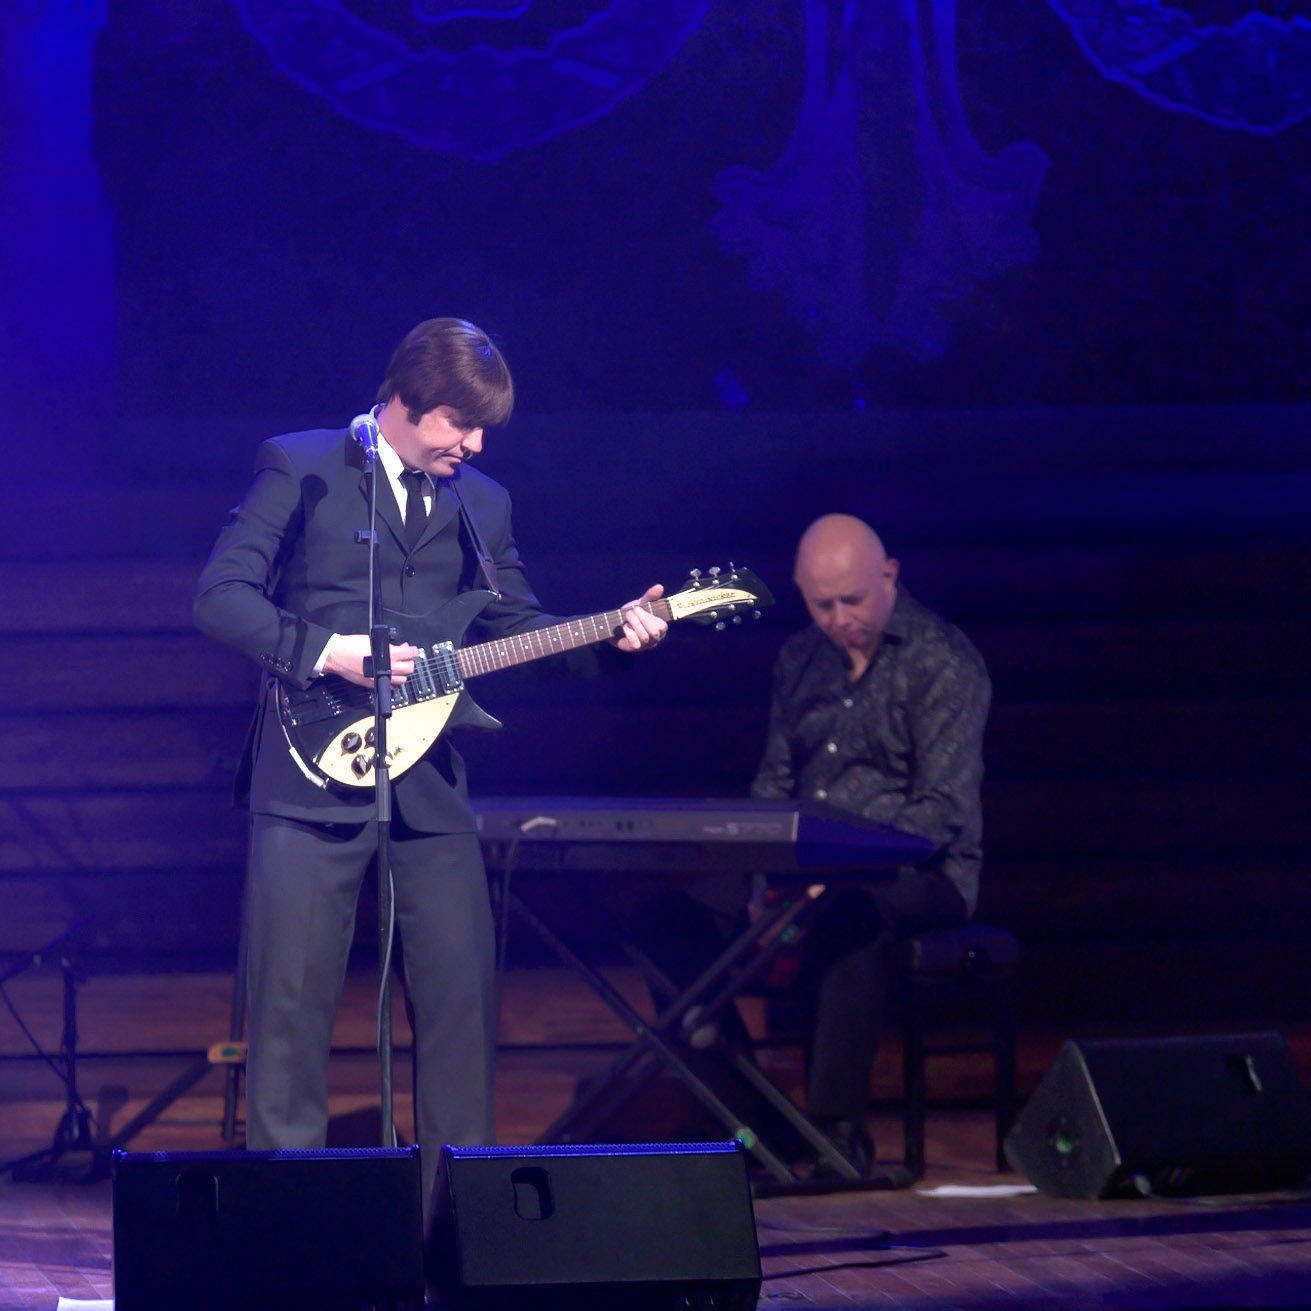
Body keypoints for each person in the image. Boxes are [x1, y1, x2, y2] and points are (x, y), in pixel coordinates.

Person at [192, 316, 667, 1215]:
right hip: (306, 780)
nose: (474, 444)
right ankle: (286, 1234)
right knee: (288, 1017)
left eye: (483, 428)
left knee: (459, 1006)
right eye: (460, 422)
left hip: (428, 786)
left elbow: (517, 630)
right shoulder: (302, 466)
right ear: (405, 400)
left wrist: (614, 639)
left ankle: (453, 1225)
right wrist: (325, 649)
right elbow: (220, 597)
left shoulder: (481, 502)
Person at [751, 513, 990, 1172]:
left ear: (888, 576)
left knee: (847, 910)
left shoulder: (942, 660)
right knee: (672, 916)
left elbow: (941, 810)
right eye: (820, 604)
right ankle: (757, 1121)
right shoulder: (799, 659)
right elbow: (774, 783)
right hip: (806, 872)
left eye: (852, 600)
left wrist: (837, 868)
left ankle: (836, 1134)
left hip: (921, 877)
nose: (839, 619)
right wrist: (757, 874)